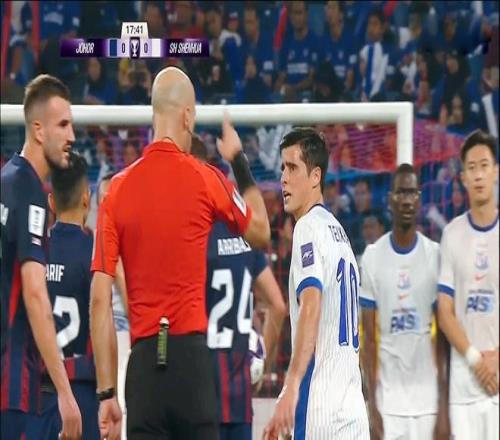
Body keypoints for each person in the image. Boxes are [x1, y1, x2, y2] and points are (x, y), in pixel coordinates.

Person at [90, 66, 271, 440]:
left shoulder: (116, 191)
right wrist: (238, 160)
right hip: (191, 363)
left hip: (143, 367)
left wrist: (107, 393)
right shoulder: (205, 177)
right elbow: (262, 232)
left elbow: (99, 301)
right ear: (188, 116)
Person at [263, 128, 369, 439]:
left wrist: (292, 384)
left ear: (315, 176)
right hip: (353, 405)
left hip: (320, 405)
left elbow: (311, 304)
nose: (283, 178)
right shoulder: (340, 233)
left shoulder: (307, 228)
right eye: (282, 168)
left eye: (292, 167)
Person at [0, 74, 81, 439]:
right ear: (38, 130)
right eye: (62, 125)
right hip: (12, 380)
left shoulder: (6, 180)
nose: (72, 136)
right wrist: (64, 392)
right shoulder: (30, 191)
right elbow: (34, 293)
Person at [192, 136, 287, 440]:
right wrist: (260, 364)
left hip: (199, 391)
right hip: (239, 394)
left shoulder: (192, 238)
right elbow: (278, 306)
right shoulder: (243, 230)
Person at [360, 163, 446, 440]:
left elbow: (443, 338)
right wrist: (372, 407)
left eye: (412, 193)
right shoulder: (372, 257)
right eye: (401, 193)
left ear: (419, 199)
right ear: (390, 200)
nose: (407, 200)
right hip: (388, 406)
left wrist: (444, 406)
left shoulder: (435, 256)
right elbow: (368, 342)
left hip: (427, 404)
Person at [438, 129, 499, 440]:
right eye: (471, 168)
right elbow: (444, 312)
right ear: (462, 177)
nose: (478, 174)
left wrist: (497, 357)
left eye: (484, 166)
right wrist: (476, 360)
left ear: (496, 171)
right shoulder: (451, 234)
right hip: (464, 382)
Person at [36, 152, 99, 439]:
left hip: (37, 394)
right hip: (81, 391)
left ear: (51, 202)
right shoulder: (95, 252)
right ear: (87, 197)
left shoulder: (32, 254)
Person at [96, 171, 130, 438]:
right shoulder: (92, 243)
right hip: (104, 341)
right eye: (104, 198)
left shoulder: (132, 245)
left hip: (126, 340)